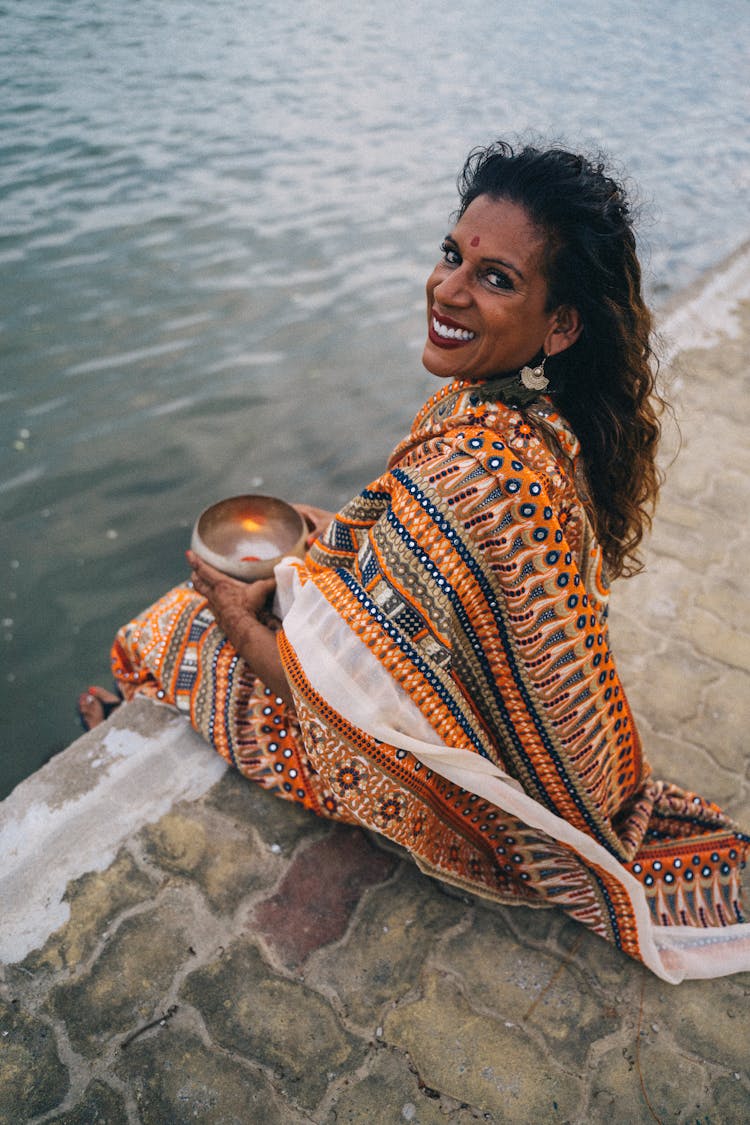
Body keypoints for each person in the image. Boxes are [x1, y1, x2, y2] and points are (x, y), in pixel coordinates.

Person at [80, 141, 749, 982]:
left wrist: (231, 619)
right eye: (451, 255)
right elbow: (410, 548)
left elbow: (343, 701)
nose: (448, 289)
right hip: (594, 757)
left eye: (496, 278)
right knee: (294, 570)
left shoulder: (470, 472)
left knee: (173, 633)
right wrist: (332, 544)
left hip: (510, 810)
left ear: (562, 324)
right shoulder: (532, 420)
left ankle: (121, 715)